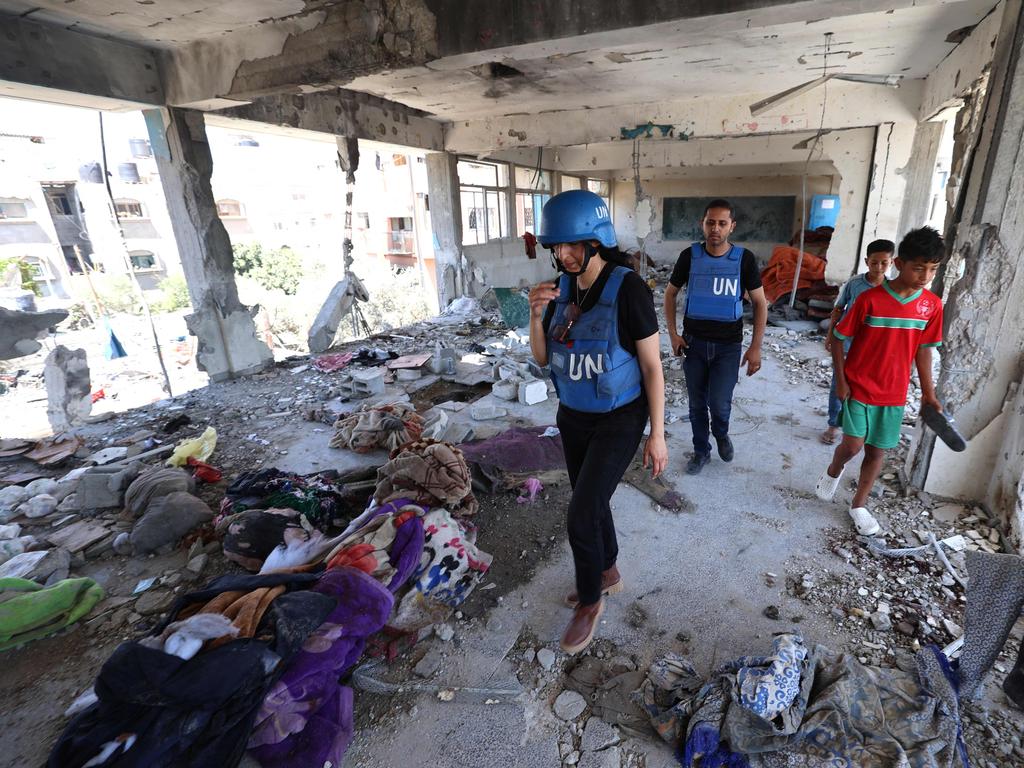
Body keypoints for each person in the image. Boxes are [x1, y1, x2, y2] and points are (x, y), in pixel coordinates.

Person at [528, 189, 667, 655]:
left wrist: (658, 435)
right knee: (593, 499)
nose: (563, 255)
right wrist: (534, 314)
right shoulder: (560, 291)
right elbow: (544, 357)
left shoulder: (628, 290)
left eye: (573, 245)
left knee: (581, 512)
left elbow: (652, 368)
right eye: (557, 247)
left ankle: (589, 602)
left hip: (620, 417)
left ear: (596, 241)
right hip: (574, 416)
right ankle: (606, 571)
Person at [814, 226, 945, 535]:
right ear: (899, 264)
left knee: (877, 451)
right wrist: (842, 381)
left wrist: (929, 393)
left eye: (933, 269)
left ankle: (858, 504)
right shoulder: (869, 300)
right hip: (859, 386)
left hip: (894, 393)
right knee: (852, 445)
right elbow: (838, 337)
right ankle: (835, 469)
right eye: (919, 267)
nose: (926, 275)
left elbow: (924, 351)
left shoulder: (931, 306)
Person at [664, 199, 768, 474]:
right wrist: (673, 334)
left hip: (728, 347)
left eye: (722, 223)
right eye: (711, 222)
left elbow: (760, 302)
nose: (715, 228)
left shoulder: (743, 259)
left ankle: (721, 433)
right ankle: (701, 452)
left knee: (719, 405)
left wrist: (756, 347)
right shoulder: (690, 256)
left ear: (731, 227)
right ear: (703, 224)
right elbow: (670, 294)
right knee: (697, 405)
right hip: (694, 343)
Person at [821, 240, 895, 444]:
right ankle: (833, 424)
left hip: (873, 347)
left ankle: (856, 424)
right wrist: (830, 336)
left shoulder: (892, 289)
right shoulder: (855, 284)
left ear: (892, 263)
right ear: (866, 262)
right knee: (840, 382)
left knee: (864, 385)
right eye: (874, 263)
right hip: (846, 342)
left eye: (884, 263)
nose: (879, 267)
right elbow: (838, 310)